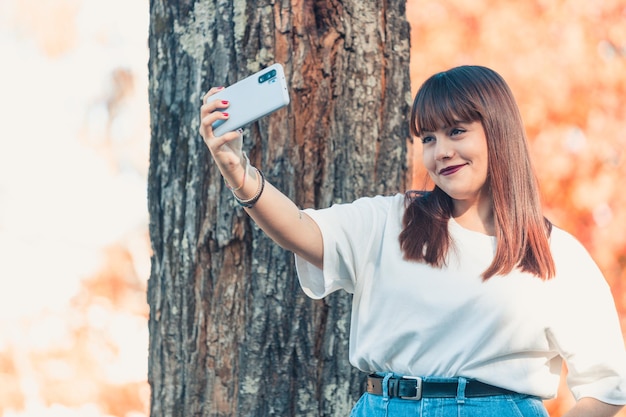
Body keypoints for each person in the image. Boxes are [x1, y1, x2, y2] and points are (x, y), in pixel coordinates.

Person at [199, 65, 626, 416]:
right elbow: (301, 230)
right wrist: (238, 173)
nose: (440, 151)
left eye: (457, 131)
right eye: (428, 138)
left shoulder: (556, 256)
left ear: (499, 132)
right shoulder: (392, 220)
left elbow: (606, 386)